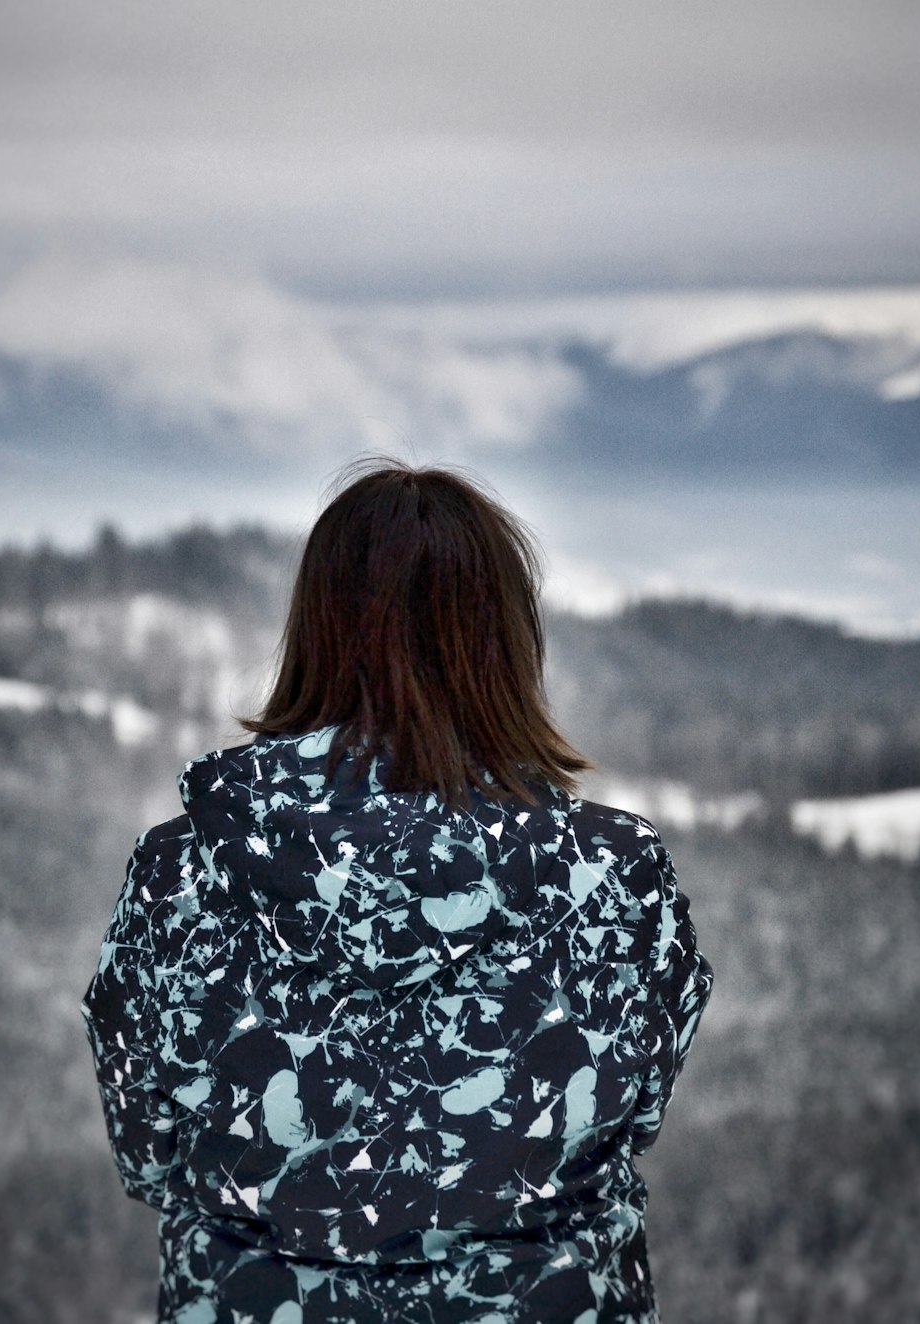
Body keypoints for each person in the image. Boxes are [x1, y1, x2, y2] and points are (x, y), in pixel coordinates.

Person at [83, 459, 713, 1324]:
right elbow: (627, 1122)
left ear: (315, 629)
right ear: (505, 640)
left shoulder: (182, 874)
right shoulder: (613, 876)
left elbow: (150, 1154)